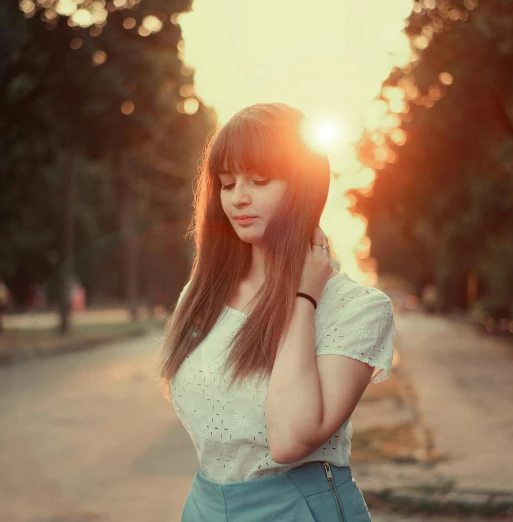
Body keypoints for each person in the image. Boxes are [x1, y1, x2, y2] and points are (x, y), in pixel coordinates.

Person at [158, 102, 396, 521]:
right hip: (204, 507)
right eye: (227, 183)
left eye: (259, 180)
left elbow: (289, 439)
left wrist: (303, 298)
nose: (238, 198)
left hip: (297, 509)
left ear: (302, 186)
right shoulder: (200, 295)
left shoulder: (357, 310)